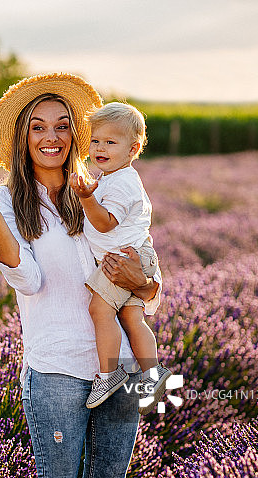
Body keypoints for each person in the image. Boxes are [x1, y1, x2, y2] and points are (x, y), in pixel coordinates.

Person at [0, 73, 162, 478]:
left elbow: (142, 276)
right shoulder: (7, 199)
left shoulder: (100, 188)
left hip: (120, 366)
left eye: (62, 126)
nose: (52, 137)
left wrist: (145, 284)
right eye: (38, 127)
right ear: (23, 137)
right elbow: (28, 279)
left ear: (76, 134)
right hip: (57, 368)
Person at [68, 102, 171, 414]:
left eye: (110, 142)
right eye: (95, 140)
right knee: (130, 318)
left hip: (122, 259)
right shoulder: (111, 178)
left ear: (133, 149)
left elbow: (105, 223)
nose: (100, 148)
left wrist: (85, 197)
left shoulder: (123, 182)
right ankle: (153, 373)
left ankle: (109, 373)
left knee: (99, 310)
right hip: (135, 256)